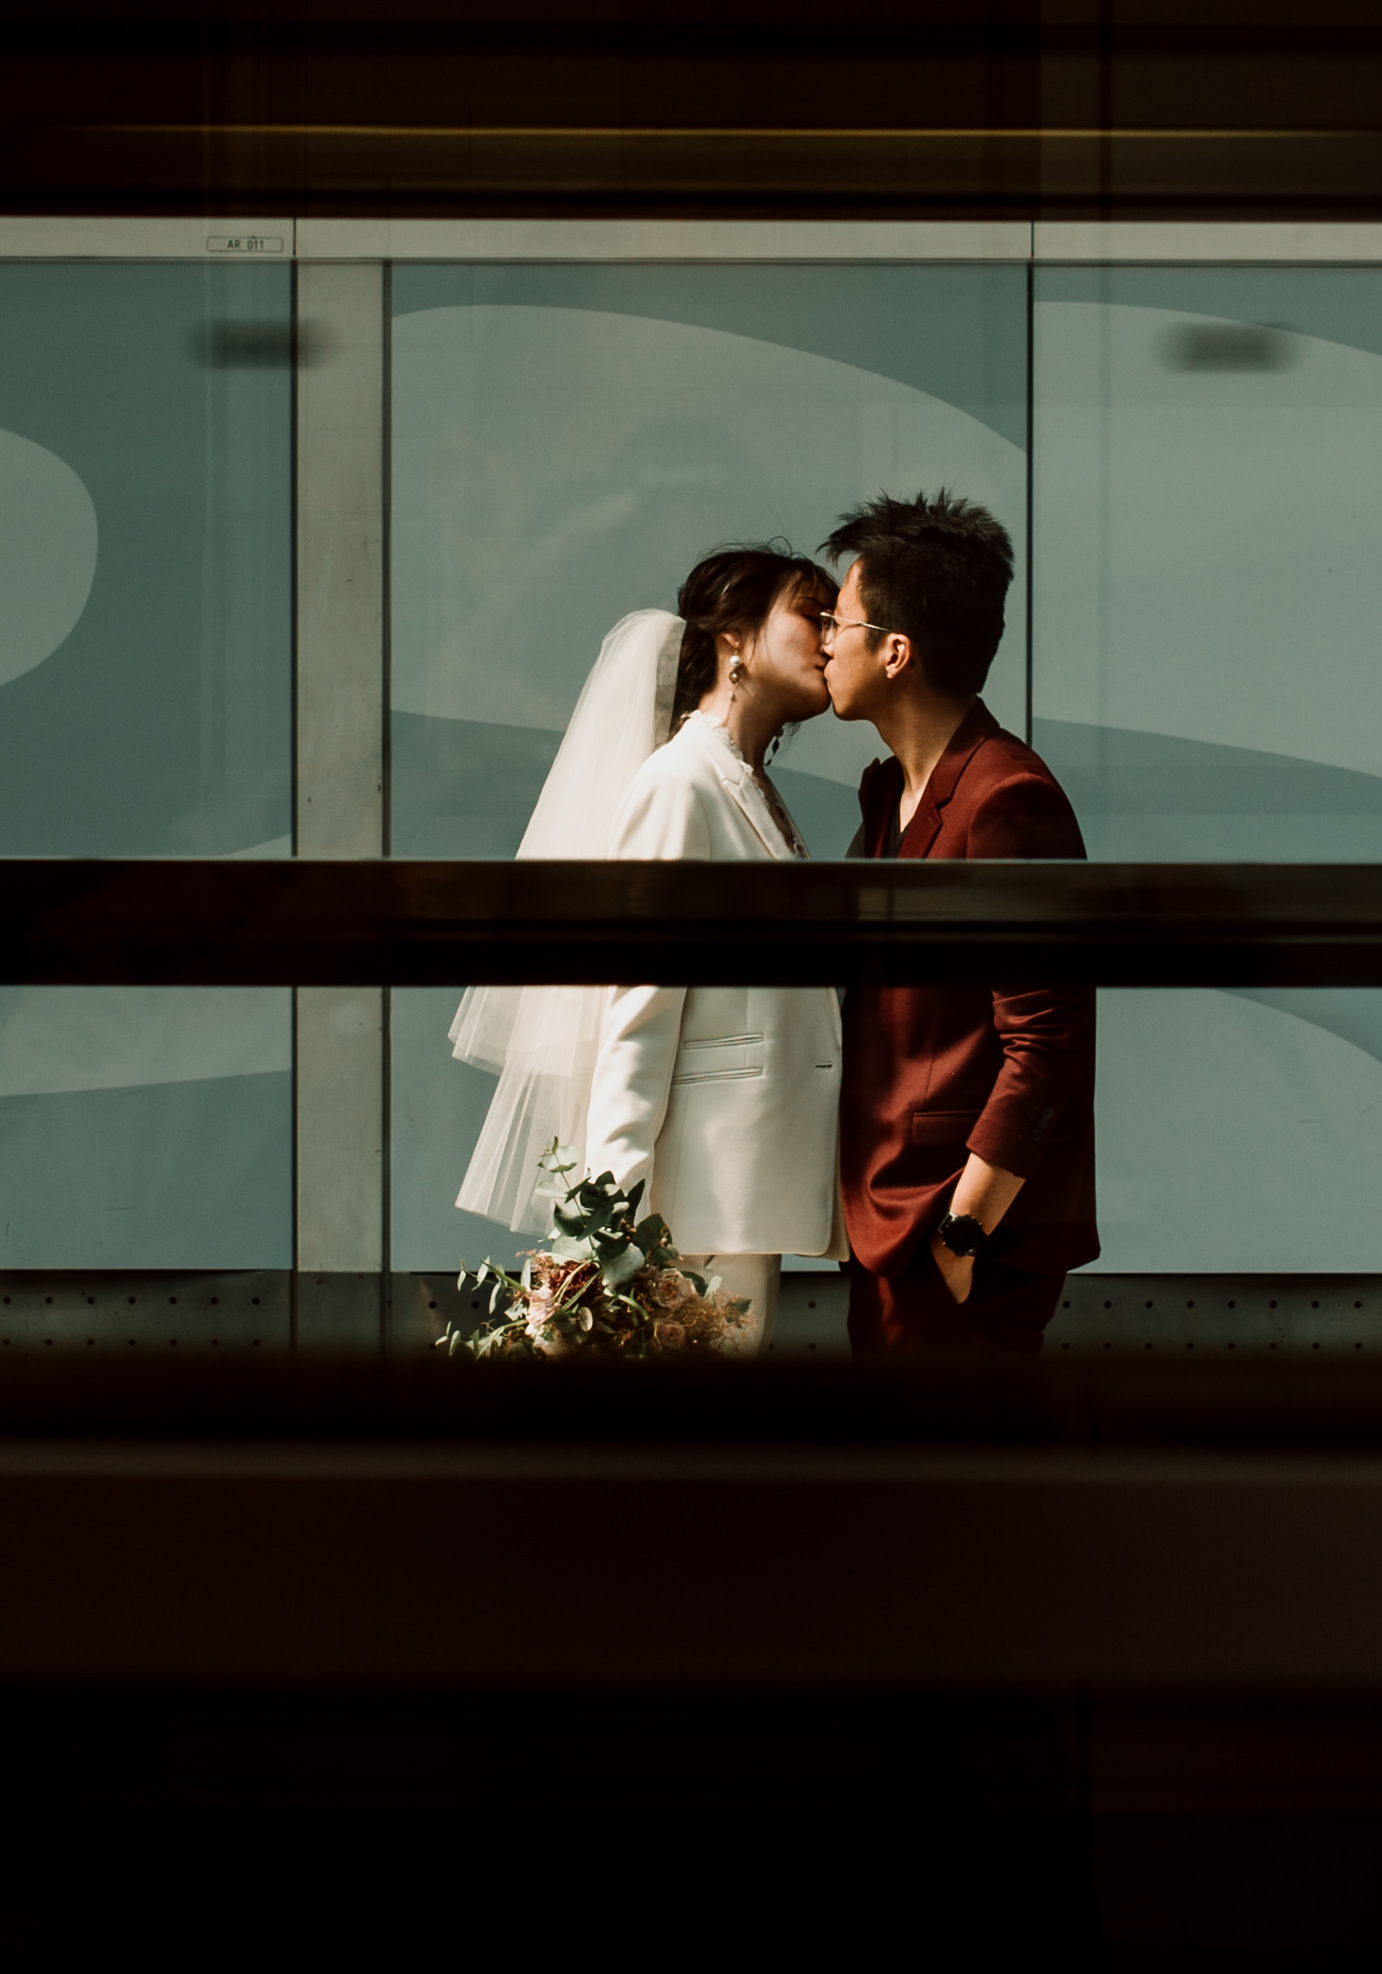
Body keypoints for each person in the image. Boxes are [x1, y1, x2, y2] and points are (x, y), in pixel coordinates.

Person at [450, 545, 844, 1347]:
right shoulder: (680, 784)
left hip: (742, 1185)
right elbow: (638, 1007)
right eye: (814, 615)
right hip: (692, 1204)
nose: (832, 638)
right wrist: (609, 1217)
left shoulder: (748, 782)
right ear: (736, 636)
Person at [819, 492, 1095, 1354]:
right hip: (887, 1218)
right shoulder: (887, 794)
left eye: (839, 619)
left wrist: (963, 1231)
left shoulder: (1008, 797)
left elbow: (1046, 1042)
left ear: (895, 651)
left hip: (957, 1234)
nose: (824, 639)